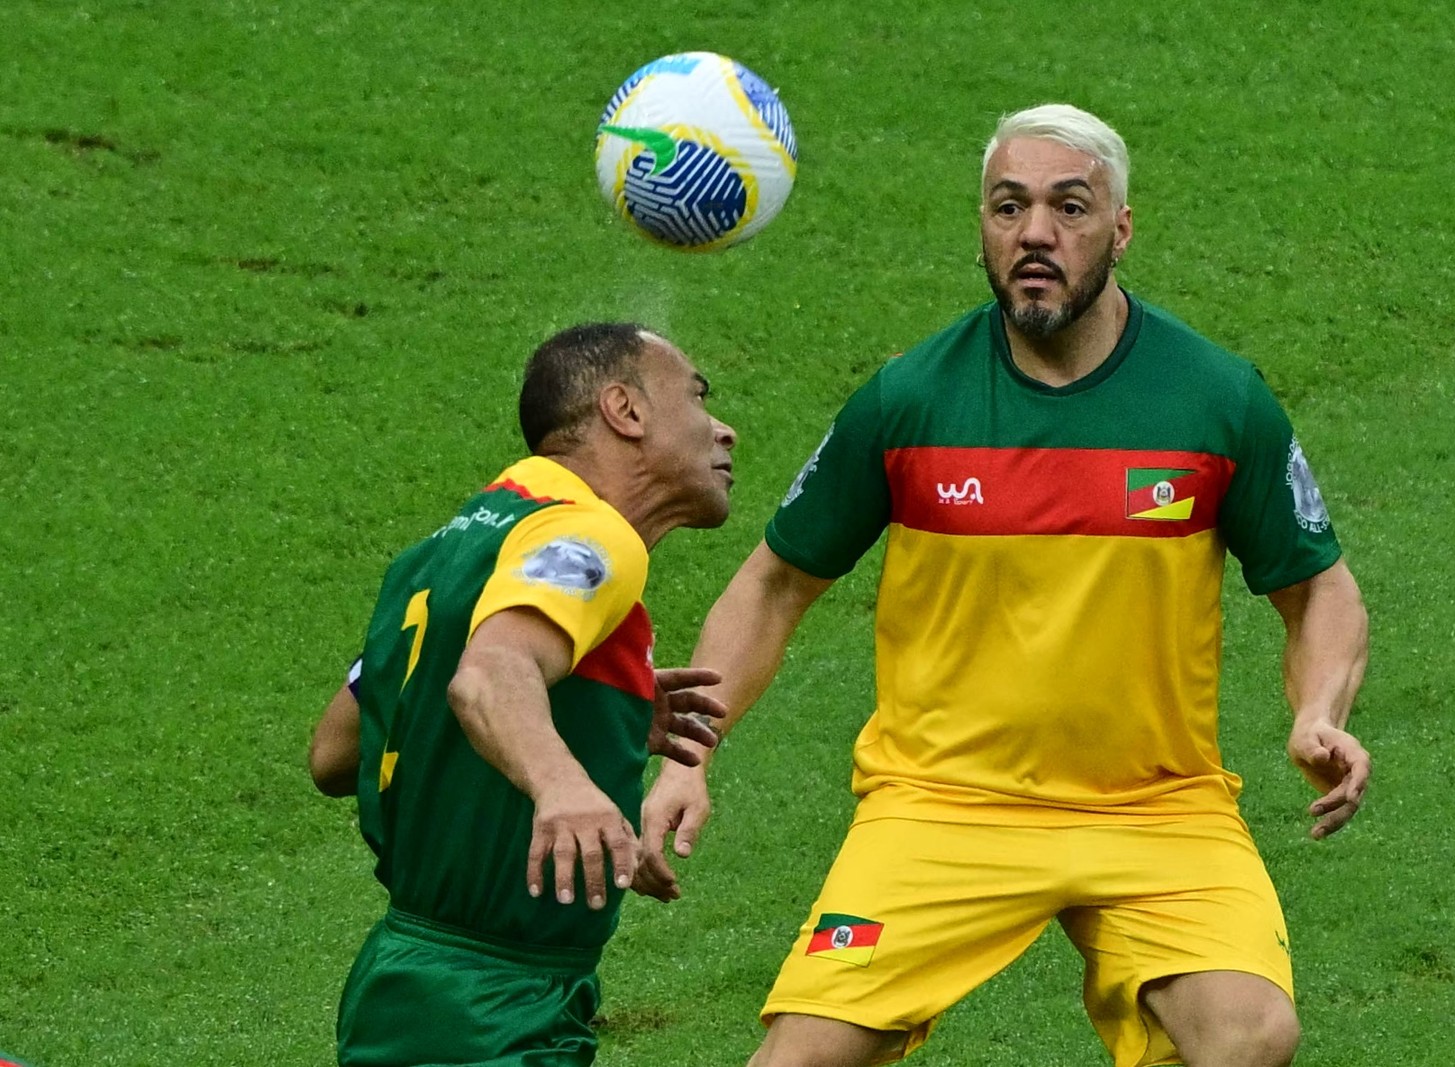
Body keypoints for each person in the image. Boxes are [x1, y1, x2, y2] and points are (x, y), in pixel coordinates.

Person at [638, 104, 1372, 1067]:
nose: (1035, 232)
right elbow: (776, 584)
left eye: (1070, 207)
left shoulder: (1215, 399)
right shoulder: (909, 399)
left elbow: (1319, 589)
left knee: (1251, 1033)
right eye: (1008, 206)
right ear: (982, 226)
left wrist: (1319, 709)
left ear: (1121, 227)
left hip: (1155, 808)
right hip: (942, 805)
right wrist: (690, 755)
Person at [307, 322, 738, 1067]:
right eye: (698, 397)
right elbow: (487, 675)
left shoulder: (449, 547)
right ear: (624, 411)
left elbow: (338, 752)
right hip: (489, 1006)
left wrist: (593, 715)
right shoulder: (592, 536)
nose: (723, 428)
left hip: (407, 978)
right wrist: (562, 783)